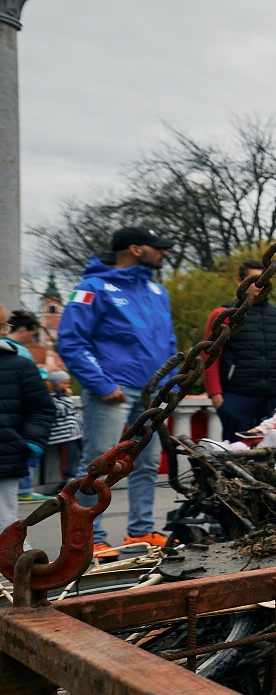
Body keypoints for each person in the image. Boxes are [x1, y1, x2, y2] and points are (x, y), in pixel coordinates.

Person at [59, 226, 179, 557]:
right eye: (159, 247)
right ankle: (89, 536)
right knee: (96, 465)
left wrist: (174, 385)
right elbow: (71, 341)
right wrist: (101, 384)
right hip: (113, 390)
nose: (164, 252)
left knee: (148, 462)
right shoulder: (91, 289)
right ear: (136, 249)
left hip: (153, 394)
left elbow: (169, 344)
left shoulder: (157, 292)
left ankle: (139, 532)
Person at [201, 260, 276, 442]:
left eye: (265, 279)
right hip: (237, 396)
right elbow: (209, 358)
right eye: (254, 279)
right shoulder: (223, 315)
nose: (260, 285)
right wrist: (216, 397)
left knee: (275, 452)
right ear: (239, 281)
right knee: (235, 453)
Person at [0, 335, 52, 538]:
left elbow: (41, 407)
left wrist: (32, 442)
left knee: (5, 525)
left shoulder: (19, 364)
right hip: (8, 450)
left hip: (5, 453)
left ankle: (16, 566)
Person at [42, 369, 81, 490]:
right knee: (67, 457)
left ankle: (77, 476)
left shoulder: (61, 396)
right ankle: (68, 479)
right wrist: (66, 397)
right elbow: (60, 409)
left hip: (74, 433)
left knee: (77, 456)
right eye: (64, 383)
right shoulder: (49, 397)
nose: (67, 386)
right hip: (64, 435)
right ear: (54, 384)